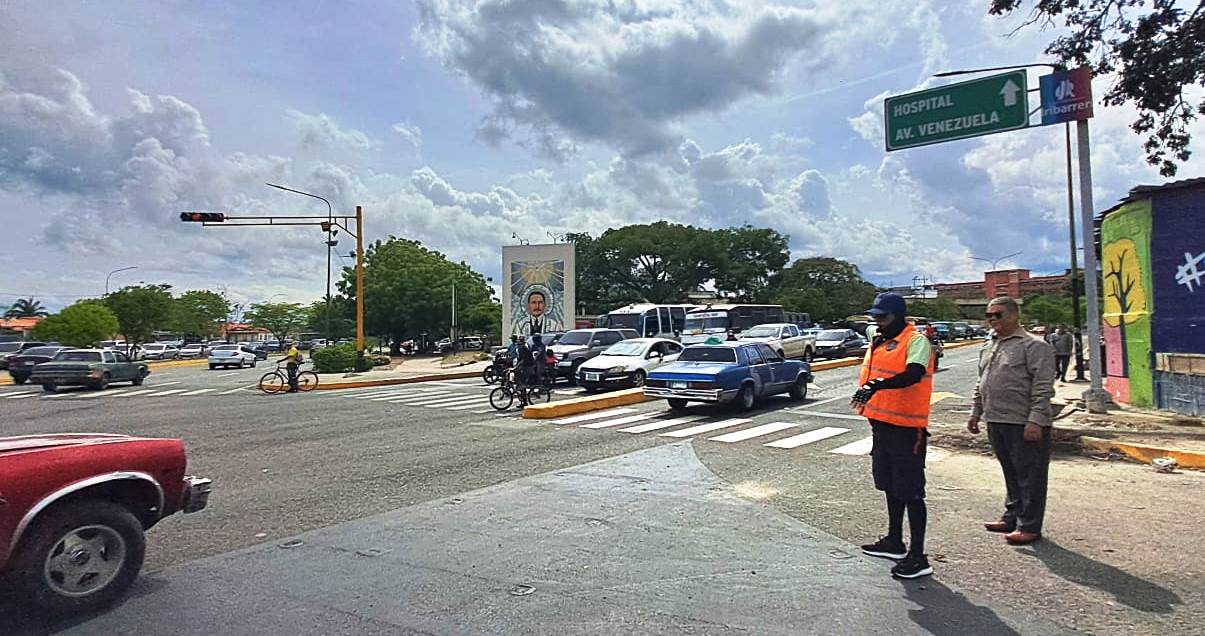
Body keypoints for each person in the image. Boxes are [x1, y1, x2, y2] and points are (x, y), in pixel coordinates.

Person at [852, 293, 936, 580]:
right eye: (874, 317)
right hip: (881, 426)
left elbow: (913, 374)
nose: (877, 322)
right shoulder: (878, 336)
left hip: (907, 429)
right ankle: (894, 540)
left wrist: (877, 384)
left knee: (911, 491)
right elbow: (861, 327)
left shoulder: (916, 341)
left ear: (899, 317)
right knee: (889, 486)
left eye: (883, 317)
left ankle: (918, 556)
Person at [966, 297, 1056, 546]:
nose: (992, 320)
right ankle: (1012, 516)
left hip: (1023, 422)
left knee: (1031, 476)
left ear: (1015, 315)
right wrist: (976, 412)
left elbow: (1043, 388)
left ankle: (1029, 525)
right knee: (1011, 473)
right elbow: (981, 382)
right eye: (989, 316)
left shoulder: (1034, 346)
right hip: (996, 420)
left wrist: (1036, 421)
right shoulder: (990, 346)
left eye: (998, 315)